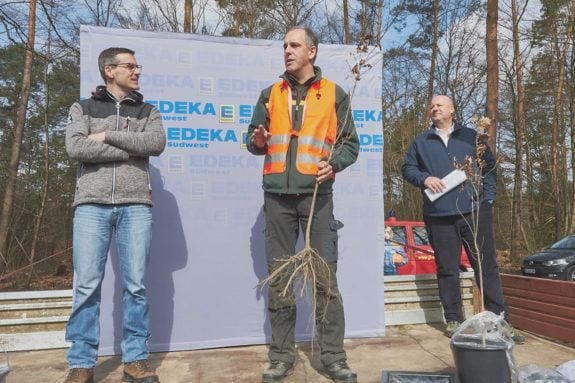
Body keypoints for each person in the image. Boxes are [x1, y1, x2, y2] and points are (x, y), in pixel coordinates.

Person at [247, 26, 360, 383]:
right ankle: (281, 357)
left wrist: (334, 162)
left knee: (325, 281)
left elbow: (350, 145)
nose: (287, 51)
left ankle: (334, 358)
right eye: (284, 45)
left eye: (294, 45)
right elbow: (254, 143)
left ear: (312, 52)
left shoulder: (335, 95)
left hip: (317, 200)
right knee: (280, 280)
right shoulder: (270, 94)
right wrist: (258, 139)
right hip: (277, 200)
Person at [63, 47, 166, 383]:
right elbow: (77, 148)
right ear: (109, 70)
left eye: (138, 65)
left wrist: (106, 135)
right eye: (130, 65)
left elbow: (155, 143)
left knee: (135, 286)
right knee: (87, 287)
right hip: (91, 204)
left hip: (136, 204)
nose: (137, 70)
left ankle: (135, 359)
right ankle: (81, 362)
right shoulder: (84, 107)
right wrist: (130, 146)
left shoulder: (147, 110)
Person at [401, 95, 525, 344]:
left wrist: (487, 200)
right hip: (438, 215)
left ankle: (501, 320)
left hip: (474, 212)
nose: (434, 108)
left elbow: (488, 167)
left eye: (440, 105)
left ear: (452, 109)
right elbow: (407, 168)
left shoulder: (471, 137)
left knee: (486, 267)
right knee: (447, 269)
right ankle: (454, 319)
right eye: (432, 105)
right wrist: (424, 178)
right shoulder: (421, 141)